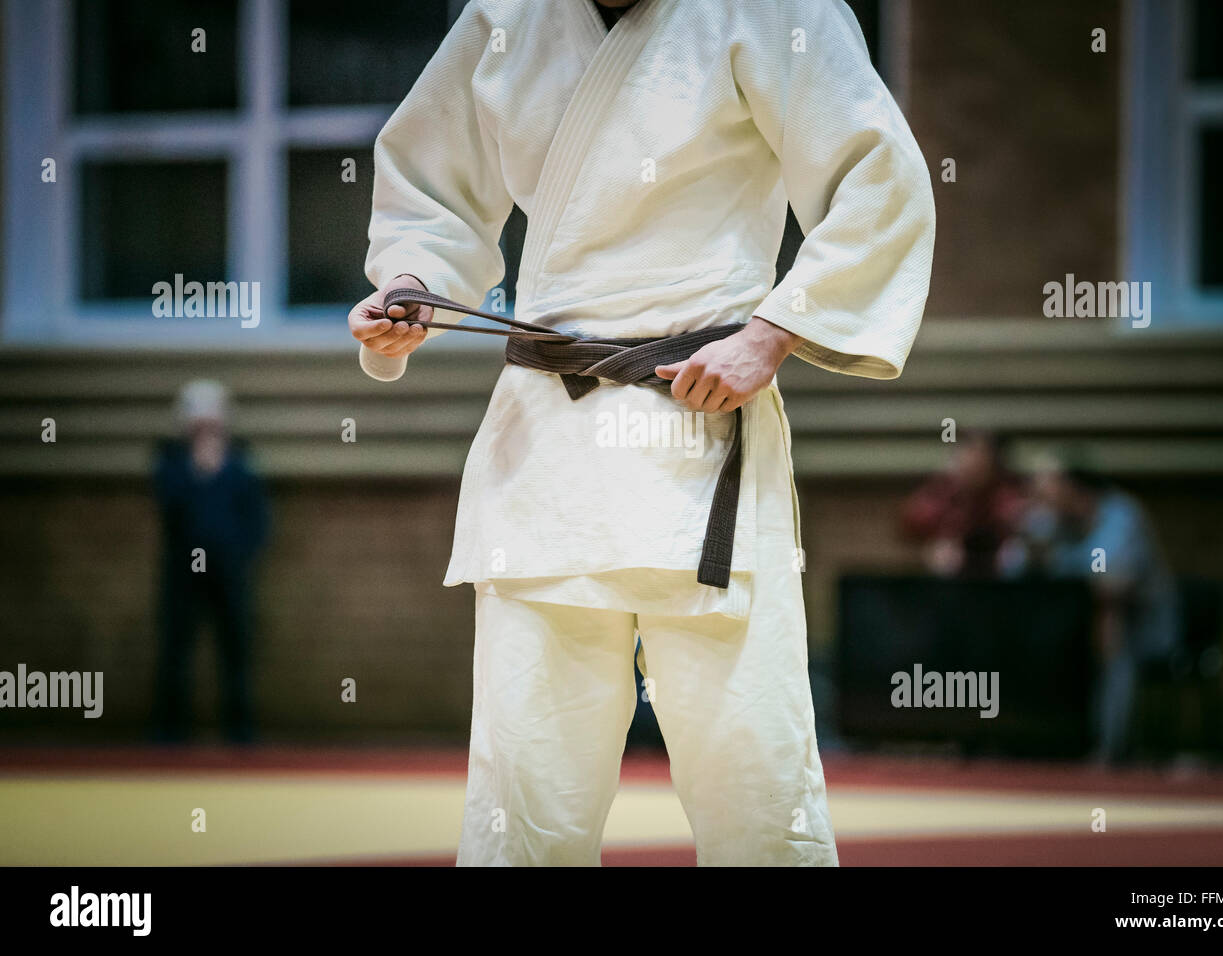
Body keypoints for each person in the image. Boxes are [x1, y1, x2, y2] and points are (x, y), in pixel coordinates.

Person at [348, 0, 935, 865]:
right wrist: (411, 284)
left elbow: (880, 175)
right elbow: (429, 186)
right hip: (548, 447)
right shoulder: (507, 15)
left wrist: (772, 335)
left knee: (757, 784)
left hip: (701, 438)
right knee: (523, 794)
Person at [1024, 464, 1180, 764]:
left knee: (1111, 628)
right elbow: (1016, 567)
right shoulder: (1049, 519)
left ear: (1074, 490)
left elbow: (1114, 581)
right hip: (1073, 626)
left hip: (1143, 626)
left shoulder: (1122, 515)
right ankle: (1035, 743)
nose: (1040, 498)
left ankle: (1108, 752)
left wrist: (1057, 561)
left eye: (1048, 490)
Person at [152, 380, 269, 744]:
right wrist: (198, 474)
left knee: (236, 651)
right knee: (175, 650)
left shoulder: (241, 462)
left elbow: (258, 518)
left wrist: (240, 555)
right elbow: (167, 507)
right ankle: (169, 732)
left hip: (229, 573)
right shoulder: (171, 461)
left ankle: (239, 732)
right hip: (182, 574)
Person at [899, 430, 1025, 577]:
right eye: (968, 453)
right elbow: (912, 521)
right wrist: (931, 547)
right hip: (953, 575)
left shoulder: (1005, 495)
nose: (973, 462)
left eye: (981, 455)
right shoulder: (942, 490)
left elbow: (1018, 520)